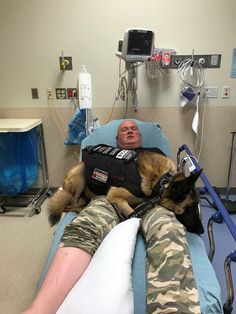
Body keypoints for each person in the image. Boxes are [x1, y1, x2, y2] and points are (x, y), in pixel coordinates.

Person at [23, 120, 200, 314]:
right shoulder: (107, 154)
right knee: (86, 223)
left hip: (156, 203)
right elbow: (109, 193)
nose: (130, 131)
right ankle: (41, 308)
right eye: (124, 130)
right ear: (117, 140)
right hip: (108, 199)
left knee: (170, 229)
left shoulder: (156, 151)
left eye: (134, 129)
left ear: (141, 137)